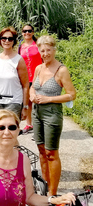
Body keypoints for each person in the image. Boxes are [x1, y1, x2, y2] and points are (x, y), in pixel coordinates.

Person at [0, 109, 76, 206]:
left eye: (12, 127)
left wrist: (53, 200)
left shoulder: (24, 160)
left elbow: (29, 197)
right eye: (1, 128)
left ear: (17, 130)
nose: (7, 132)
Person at [30, 35, 76, 196]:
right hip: (36, 113)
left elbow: (71, 95)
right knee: (41, 150)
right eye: (42, 50)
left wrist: (49, 99)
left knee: (51, 152)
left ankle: (52, 193)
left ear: (54, 50)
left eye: (48, 50)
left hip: (52, 114)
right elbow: (32, 87)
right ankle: (45, 187)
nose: (45, 53)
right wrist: (31, 95)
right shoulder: (38, 68)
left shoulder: (61, 70)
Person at [0, 27, 29, 119]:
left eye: (10, 39)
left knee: (11, 131)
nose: (7, 41)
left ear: (14, 41)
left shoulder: (19, 60)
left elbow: (25, 85)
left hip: (13, 103)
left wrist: (25, 107)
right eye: (4, 38)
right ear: (0, 40)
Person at [18, 24, 42, 133]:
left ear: (32, 32)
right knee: (27, 102)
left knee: (39, 102)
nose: (27, 33)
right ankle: (29, 124)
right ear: (22, 33)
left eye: (29, 31)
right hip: (25, 78)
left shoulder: (38, 45)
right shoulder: (20, 46)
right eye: (24, 31)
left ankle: (40, 125)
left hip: (38, 77)